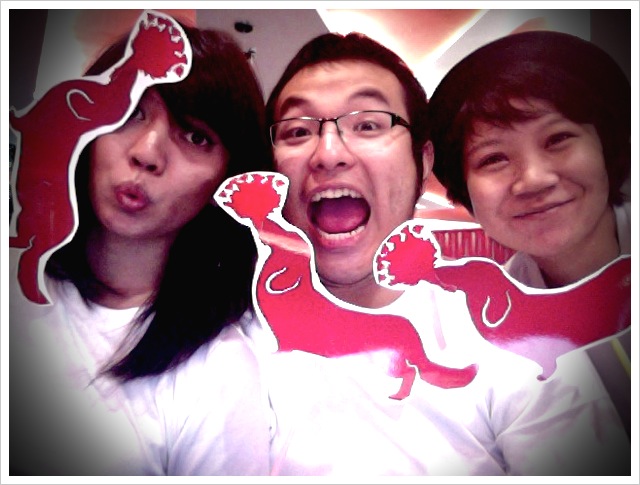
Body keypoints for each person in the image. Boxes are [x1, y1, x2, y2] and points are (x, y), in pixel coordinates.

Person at [239, 31, 629, 475]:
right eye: (297, 131)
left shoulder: (501, 341)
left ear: (423, 163)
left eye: (368, 124)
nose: (328, 153)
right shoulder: (223, 341)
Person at [9, 13, 272, 475]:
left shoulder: (218, 371)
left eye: (195, 136)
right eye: (130, 112)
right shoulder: (18, 274)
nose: (147, 153)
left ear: (228, 178)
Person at [427, 30, 631, 289]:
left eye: (557, 139)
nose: (534, 180)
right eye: (493, 159)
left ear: (604, 148)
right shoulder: (496, 305)